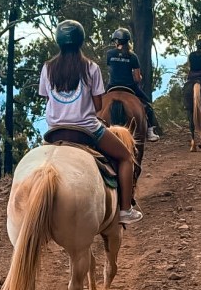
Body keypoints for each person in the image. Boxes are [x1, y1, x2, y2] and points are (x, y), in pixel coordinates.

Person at [39, 19, 142, 224]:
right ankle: (124, 210)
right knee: (126, 158)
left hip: (54, 131)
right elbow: (97, 106)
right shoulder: (91, 67)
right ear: (81, 41)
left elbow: (46, 97)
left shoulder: (48, 68)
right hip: (86, 129)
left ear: (58, 41)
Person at [105, 28, 161, 142]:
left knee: (98, 103)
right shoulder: (132, 56)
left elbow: (110, 70)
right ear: (127, 41)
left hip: (112, 86)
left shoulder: (109, 54)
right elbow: (137, 78)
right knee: (148, 106)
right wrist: (139, 78)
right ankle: (150, 131)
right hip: (129, 87)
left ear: (117, 41)